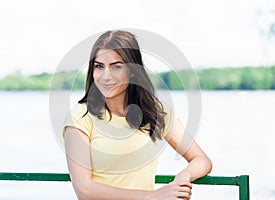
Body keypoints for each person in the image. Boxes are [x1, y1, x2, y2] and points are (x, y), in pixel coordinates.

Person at [63, 30, 212, 200]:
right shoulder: (81, 116)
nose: (106, 76)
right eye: (99, 66)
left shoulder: (156, 112)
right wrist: (153, 196)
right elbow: (85, 190)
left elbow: (201, 160)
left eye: (116, 66)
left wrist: (184, 176)